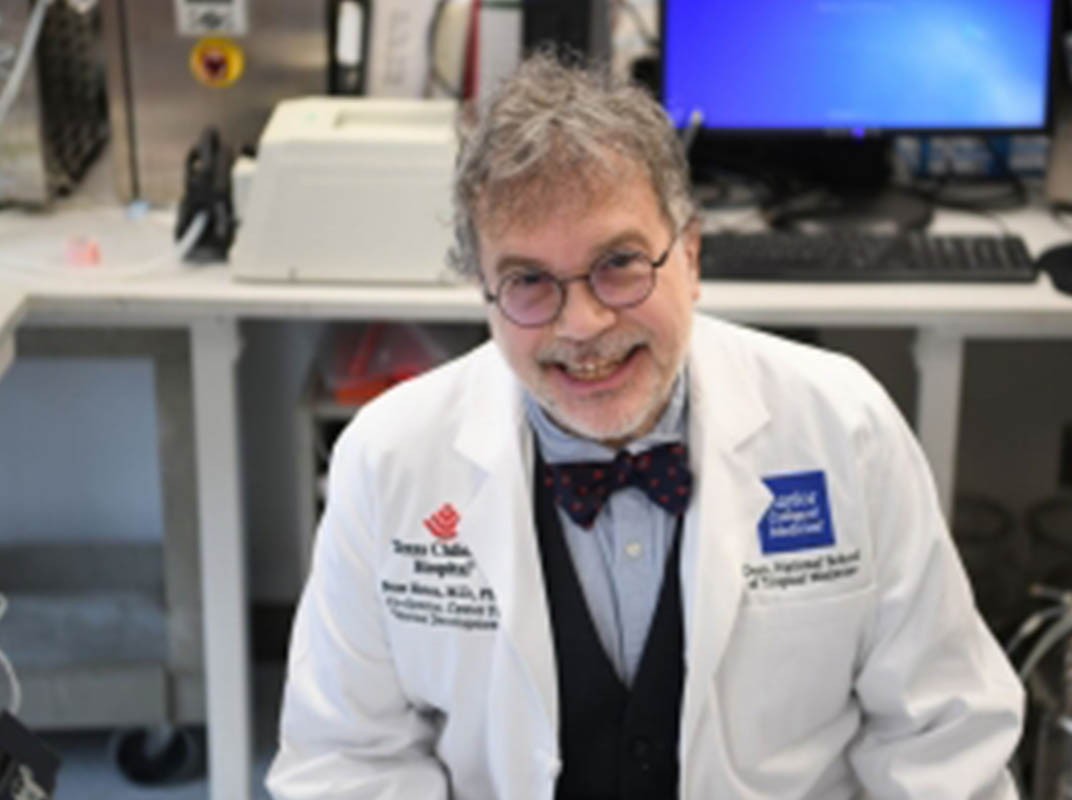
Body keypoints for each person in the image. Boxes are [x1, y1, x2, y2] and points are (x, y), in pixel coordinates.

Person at [267, 53, 1024, 800]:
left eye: (619, 263)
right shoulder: (389, 459)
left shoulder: (843, 429)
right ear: (486, 293)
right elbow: (345, 762)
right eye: (529, 280)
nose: (585, 324)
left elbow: (942, 742)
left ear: (689, 256)